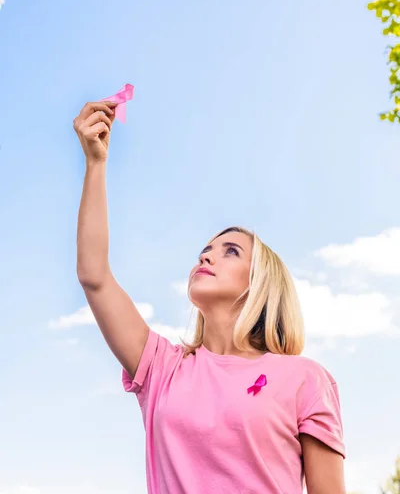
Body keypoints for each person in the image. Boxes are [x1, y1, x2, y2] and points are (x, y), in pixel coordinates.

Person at [73, 101, 346, 494]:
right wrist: (95, 164)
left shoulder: (305, 380)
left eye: (230, 251)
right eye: (207, 248)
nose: (206, 255)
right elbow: (94, 276)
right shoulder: (161, 369)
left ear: (259, 283)